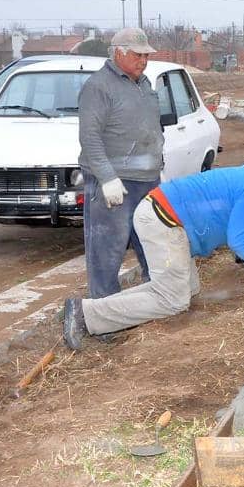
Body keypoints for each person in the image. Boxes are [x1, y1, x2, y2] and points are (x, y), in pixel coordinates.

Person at [61, 144, 244, 351]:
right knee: (173, 299)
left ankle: (93, 309)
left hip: (165, 216)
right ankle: (87, 316)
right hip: (164, 220)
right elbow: (240, 241)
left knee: (187, 289)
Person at [78, 27, 164, 299]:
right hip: (116, 183)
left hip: (147, 180)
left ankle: (156, 297)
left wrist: (158, 160)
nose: (143, 61)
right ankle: (103, 312)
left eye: (146, 56)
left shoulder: (144, 84)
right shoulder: (98, 87)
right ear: (119, 53)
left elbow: (150, 127)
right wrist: (107, 178)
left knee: (150, 240)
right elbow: (90, 138)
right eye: (138, 55)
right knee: (107, 248)